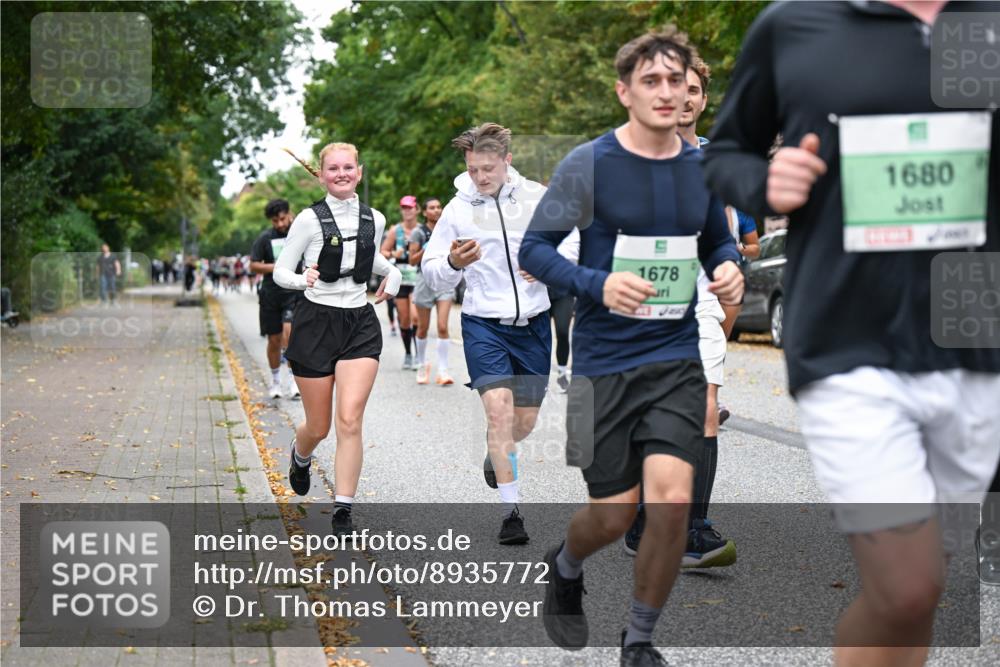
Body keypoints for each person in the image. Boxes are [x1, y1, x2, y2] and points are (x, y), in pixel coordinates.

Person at [702, 2, 1000, 664]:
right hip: (847, 340)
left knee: (919, 594)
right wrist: (765, 181)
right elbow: (726, 154)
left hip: (979, 342)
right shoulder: (798, 24)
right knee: (908, 584)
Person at [519, 28, 742, 665]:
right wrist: (597, 283)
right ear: (625, 92)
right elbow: (534, 249)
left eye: (678, 81)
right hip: (601, 361)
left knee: (670, 503)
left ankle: (639, 639)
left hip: (675, 359)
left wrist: (727, 268)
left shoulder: (705, 169)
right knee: (613, 515)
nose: (668, 92)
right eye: (653, 81)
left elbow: (717, 242)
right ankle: (564, 565)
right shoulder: (588, 164)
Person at [622, 56, 741, 569]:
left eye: (693, 89)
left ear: (702, 98)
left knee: (706, 410)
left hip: (702, 303)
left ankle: (695, 529)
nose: (684, 97)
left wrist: (724, 305)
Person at [422, 122, 552, 546]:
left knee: (524, 423)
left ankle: (497, 451)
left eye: (489, 168)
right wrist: (455, 264)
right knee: (499, 414)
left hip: (534, 324)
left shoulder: (535, 197)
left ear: (507, 161)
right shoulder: (458, 210)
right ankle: (511, 513)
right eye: (474, 168)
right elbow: (431, 269)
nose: (481, 177)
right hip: (483, 325)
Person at [274, 142, 401, 537]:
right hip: (315, 323)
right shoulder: (309, 221)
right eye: (333, 168)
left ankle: (343, 508)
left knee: (350, 419)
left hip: (359, 324)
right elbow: (281, 270)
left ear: (359, 172)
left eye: (349, 167)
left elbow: (369, 258)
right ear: (322, 174)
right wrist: (302, 278)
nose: (342, 174)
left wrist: (392, 272)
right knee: (319, 426)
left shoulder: (374, 218)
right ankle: (301, 454)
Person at [250, 199, 302, 399]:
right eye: (275, 221)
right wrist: (276, 267)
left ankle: (293, 381)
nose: (280, 224)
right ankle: (275, 381)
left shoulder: (298, 234)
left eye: (282, 218)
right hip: (271, 294)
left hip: (293, 293)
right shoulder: (265, 238)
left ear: (289, 214)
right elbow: (253, 265)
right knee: (274, 340)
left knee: (289, 336)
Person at [409, 196, 455, 386]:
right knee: (423, 327)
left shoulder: (449, 230)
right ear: (425, 212)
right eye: (432, 208)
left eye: (439, 206)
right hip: (425, 280)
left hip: (444, 280)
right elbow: (412, 260)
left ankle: (443, 370)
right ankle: (421, 364)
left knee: (443, 326)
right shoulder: (418, 232)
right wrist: (426, 250)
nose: (437, 210)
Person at [381, 196, 421, 369]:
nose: (407, 211)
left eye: (410, 207)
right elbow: (383, 251)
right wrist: (391, 255)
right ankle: (408, 353)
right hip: (401, 279)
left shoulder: (422, 230)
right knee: (404, 320)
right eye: (404, 208)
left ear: (417, 209)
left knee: (416, 317)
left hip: (418, 277)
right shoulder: (395, 230)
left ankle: (420, 353)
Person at [549, 229, 581, 393]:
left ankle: (562, 374)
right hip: (540, 290)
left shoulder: (575, 231)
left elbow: (576, 259)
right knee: (540, 335)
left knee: (562, 331)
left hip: (564, 291)